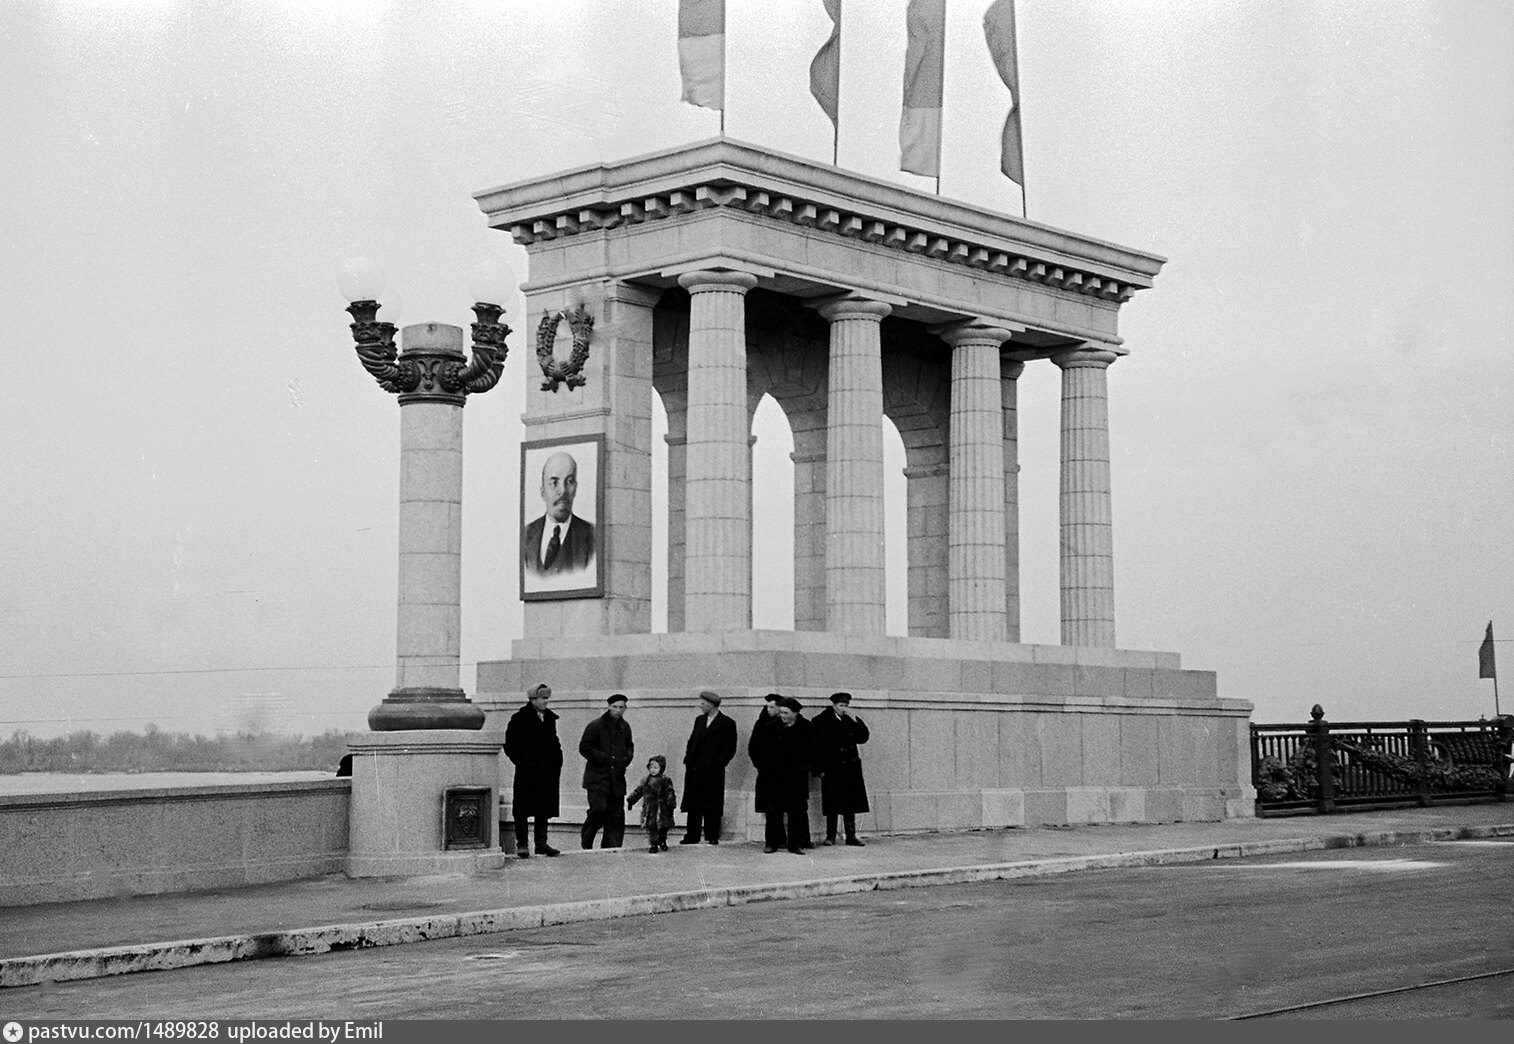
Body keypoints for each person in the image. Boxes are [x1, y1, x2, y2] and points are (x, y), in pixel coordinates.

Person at [503, 682, 563, 857]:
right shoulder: (519, 718)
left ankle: (541, 843)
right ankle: (522, 844)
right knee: (522, 808)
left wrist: (557, 760)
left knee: (543, 807)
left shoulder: (550, 718)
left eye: (547, 698)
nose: (546, 702)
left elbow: (554, 741)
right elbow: (510, 745)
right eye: (543, 698)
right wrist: (523, 762)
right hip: (527, 771)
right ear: (533, 699)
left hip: (547, 771)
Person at [522, 451, 595, 578]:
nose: (562, 491)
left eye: (569, 481)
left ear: (575, 488)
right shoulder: (526, 535)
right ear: (543, 491)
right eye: (554, 483)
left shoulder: (593, 536)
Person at [811, 691, 870, 846]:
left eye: (845, 705)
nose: (843, 708)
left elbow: (863, 737)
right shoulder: (820, 721)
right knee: (832, 803)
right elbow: (815, 747)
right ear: (833, 705)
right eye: (840, 705)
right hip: (832, 768)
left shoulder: (849, 721)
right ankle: (830, 836)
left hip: (850, 769)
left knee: (850, 803)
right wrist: (819, 769)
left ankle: (851, 835)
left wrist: (856, 720)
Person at [679, 690, 738, 845]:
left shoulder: (727, 723)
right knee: (694, 803)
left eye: (703, 703)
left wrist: (718, 764)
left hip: (713, 770)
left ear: (711, 705)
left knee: (712, 803)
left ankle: (712, 835)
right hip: (695, 768)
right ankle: (692, 835)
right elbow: (692, 741)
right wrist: (689, 759)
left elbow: (729, 748)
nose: (701, 706)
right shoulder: (699, 720)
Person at [579, 693, 634, 849]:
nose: (617, 710)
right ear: (609, 706)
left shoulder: (625, 727)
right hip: (597, 778)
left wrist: (626, 759)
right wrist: (603, 758)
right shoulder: (596, 725)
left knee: (616, 815)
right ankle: (587, 840)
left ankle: (612, 848)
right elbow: (584, 747)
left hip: (616, 778)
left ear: (625, 708)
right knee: (599, 810)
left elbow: (629, 745)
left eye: (621, 707)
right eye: (615, 707)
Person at [765, 697, 815, 855]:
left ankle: (795, 844)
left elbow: (813, 750)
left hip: (796, 776)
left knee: (796, 811)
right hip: (775, 775)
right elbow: (764, 750)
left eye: (786, 713)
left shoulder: (806, 727)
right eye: (781, 712)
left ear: (795, 713)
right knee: (774, 811)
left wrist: (806, 767)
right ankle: (771, 843)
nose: (782, 716)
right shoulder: (771, 727)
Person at [748, 693, 785, 853]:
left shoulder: (784, 723)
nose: (768, 709)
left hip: (782, 772)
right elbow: (753, 747)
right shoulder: (761, 723)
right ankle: (771, 841)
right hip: (766, 772)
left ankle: (781, 838)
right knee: (770, 809)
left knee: (781, 807)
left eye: (772, 707)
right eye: (767, 706)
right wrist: (760, 765)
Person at [627, 755, 677, 853]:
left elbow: (670, 792)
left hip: (662, 808)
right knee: (652, 827)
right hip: (650, 808)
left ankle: (662, 840)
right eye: (651, 768)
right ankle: (653, 844)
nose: (653, 770)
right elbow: (639, 790)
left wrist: (671, 804)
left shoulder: (665, 780)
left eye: (656, 768)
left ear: (661, 768)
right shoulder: (646, 780)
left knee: (663, 827)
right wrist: (631, 800)